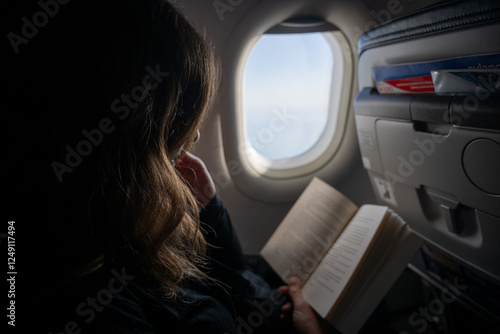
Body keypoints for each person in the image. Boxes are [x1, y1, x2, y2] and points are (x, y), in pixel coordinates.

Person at [6, 0, 326, 332]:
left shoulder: (113, 215)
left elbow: (221, 278)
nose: (195, 132)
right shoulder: (85, 303)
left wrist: (210, 209)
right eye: (175, 119)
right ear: (123, 134)